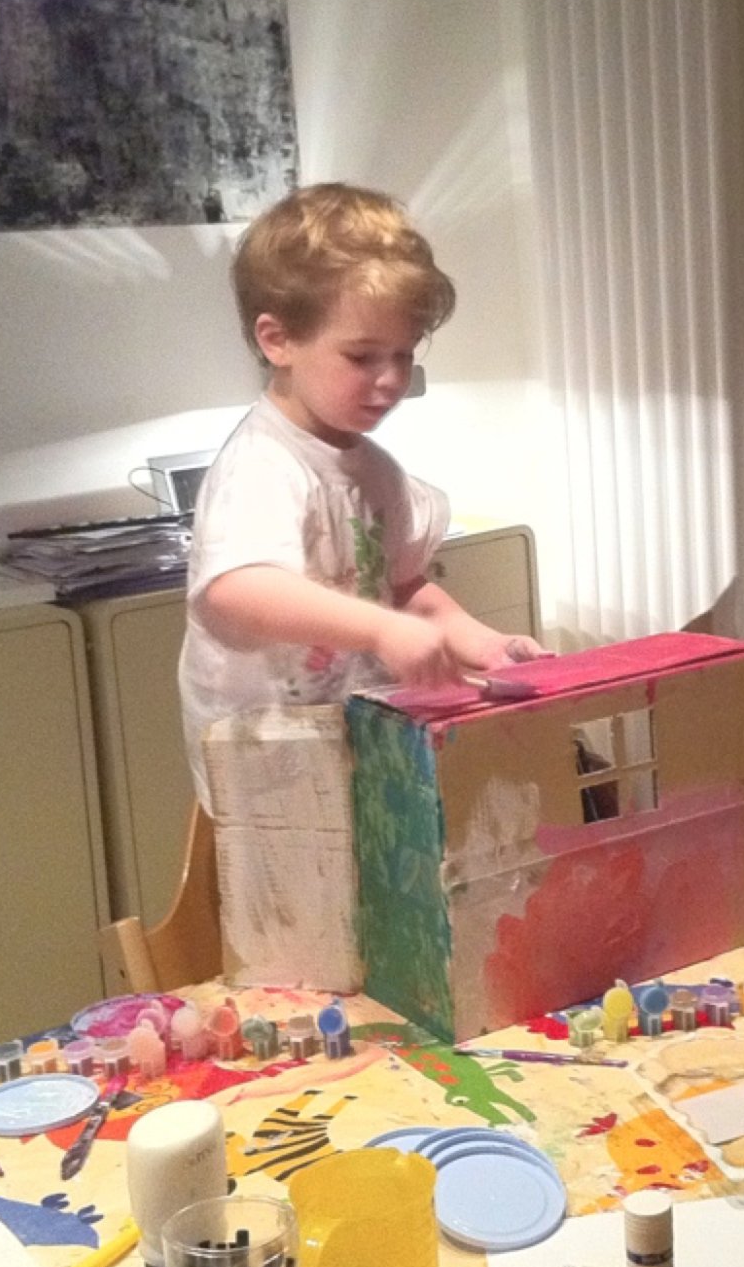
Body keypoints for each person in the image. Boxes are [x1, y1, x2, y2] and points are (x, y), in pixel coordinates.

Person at [179, 181, 542, 805]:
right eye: (362, 356)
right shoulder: (263, 464)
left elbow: (402, 587)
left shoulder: (376, 470)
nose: (391, 379)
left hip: (355, 746)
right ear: (277, 340)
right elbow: (237, 590)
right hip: (267, 770)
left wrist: (482, 644)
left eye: (403, 354)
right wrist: (380, 632)